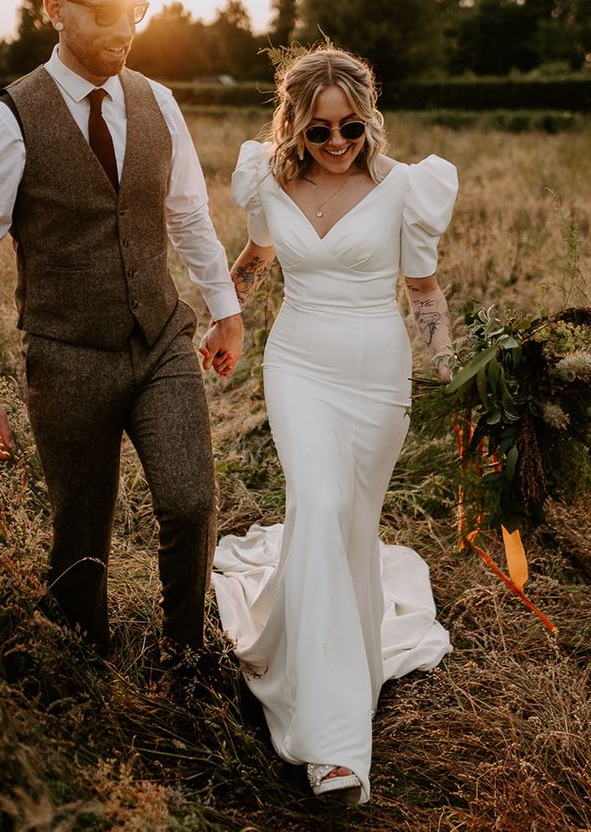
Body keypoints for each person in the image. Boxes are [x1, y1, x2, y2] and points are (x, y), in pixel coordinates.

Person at [0, 0, 244, 661]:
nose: (121, 28)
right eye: (100, 11)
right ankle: (81, 666)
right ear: (54, 9)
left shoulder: (159, 103)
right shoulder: (6, 122)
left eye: (132, 8)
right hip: (67, 356)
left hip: (162, 340)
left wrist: (225, 310)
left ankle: (185, 654)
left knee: (192, 501)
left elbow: (188, 216)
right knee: (81, 536)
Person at [210, 47, 456, 804]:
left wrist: (459, 380)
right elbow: (254, 258)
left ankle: (326, 647)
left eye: (351, 125)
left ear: (369, 116)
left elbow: (423, 292)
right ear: (294, 126)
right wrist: (221, 318)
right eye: (320, 132)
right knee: (316, 506)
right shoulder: (269, 181)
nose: (339, 142)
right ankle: (336, 745)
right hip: (298, 367)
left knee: (351, 526)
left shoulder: (408, 190)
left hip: (377, 377)